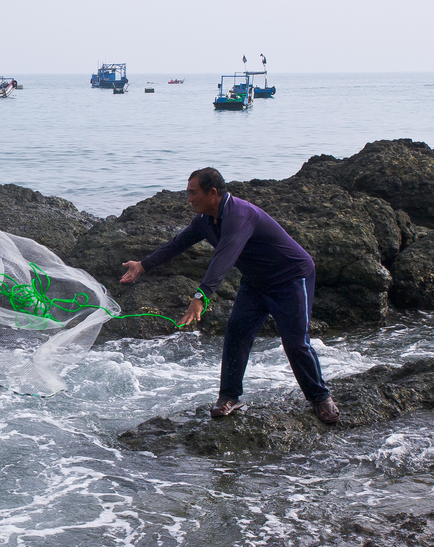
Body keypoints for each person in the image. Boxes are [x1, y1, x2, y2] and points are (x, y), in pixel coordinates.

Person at [120, 168, 339, 423]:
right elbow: (177, 244)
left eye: (193, 193)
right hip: (256, 283)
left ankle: (321, 398)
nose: (189, 199)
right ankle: (229, 397)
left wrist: (200, 296)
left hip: (291, 278)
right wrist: (142, 265)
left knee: (295, 342)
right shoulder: (204, 220)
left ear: (212, 193)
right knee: (236, 334)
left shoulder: (239, 216)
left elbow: (223, 258)